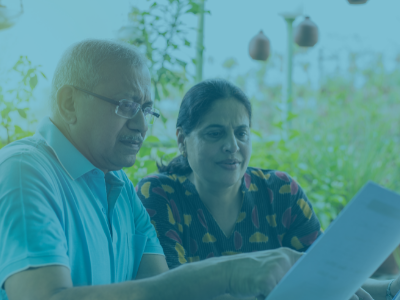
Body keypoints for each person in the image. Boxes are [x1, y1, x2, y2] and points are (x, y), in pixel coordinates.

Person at [0, 38, 307, 300]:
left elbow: (163, 290)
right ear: (69, 103)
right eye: (127, 105)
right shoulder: (26, 172)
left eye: (147, 110)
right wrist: (227, 273)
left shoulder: (119, 186)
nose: (142, 125)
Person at [136, 79, 400, 300]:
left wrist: (391, 288)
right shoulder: (160, 195)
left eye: (241, 133)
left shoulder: (280, 192)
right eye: (215, 134)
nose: (232, 146)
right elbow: (171, 290)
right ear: (182, 140)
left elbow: (326, 277)